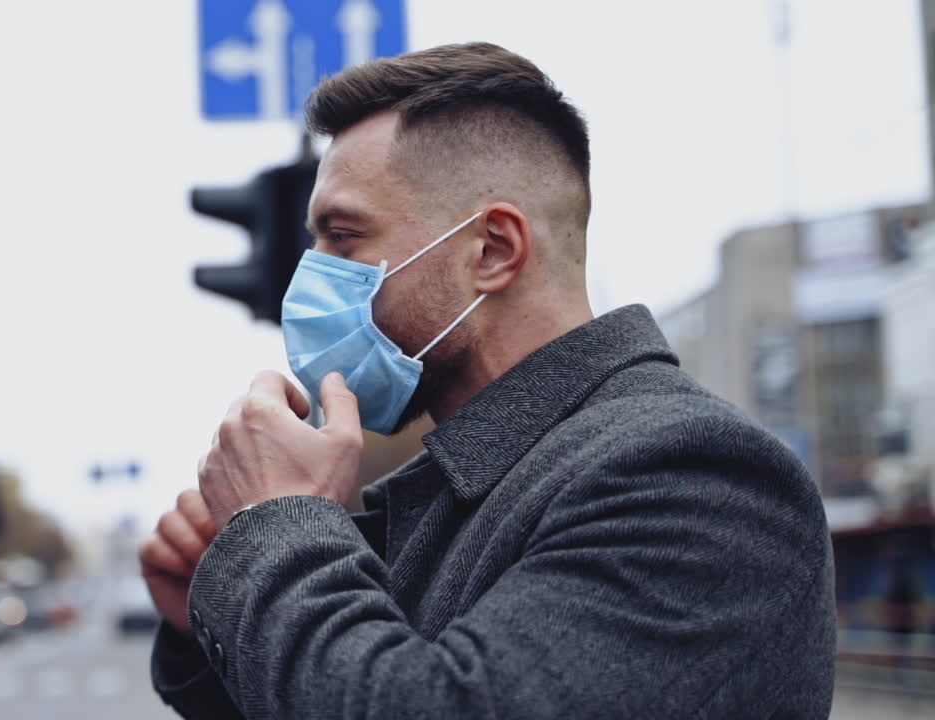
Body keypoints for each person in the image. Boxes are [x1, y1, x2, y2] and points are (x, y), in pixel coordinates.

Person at [140, 42, 836, 719]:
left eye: (344, 237)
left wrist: (277, 531)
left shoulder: (691, 477)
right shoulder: (467, 489)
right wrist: (220, 612)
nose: (308, 275)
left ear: (493, 251)